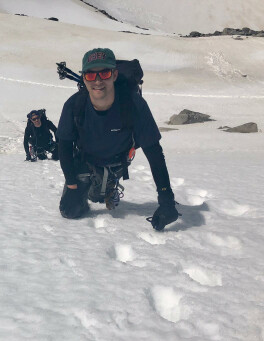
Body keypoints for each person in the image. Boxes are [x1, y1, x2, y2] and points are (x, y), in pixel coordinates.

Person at [56, 48, 179, 231]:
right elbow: (64, 146)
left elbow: (154, 151)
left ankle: (106, 184)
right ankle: (94, 185)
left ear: (114, 75)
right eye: (90, 75)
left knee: (98, 196)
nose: (98, 81)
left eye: (104, 73)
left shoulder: (133, 104)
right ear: (84, 78)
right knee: (70, 210)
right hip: (85, 162)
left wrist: (166, 199)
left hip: (116, 163)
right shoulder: (75, 105)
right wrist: (72, 187)